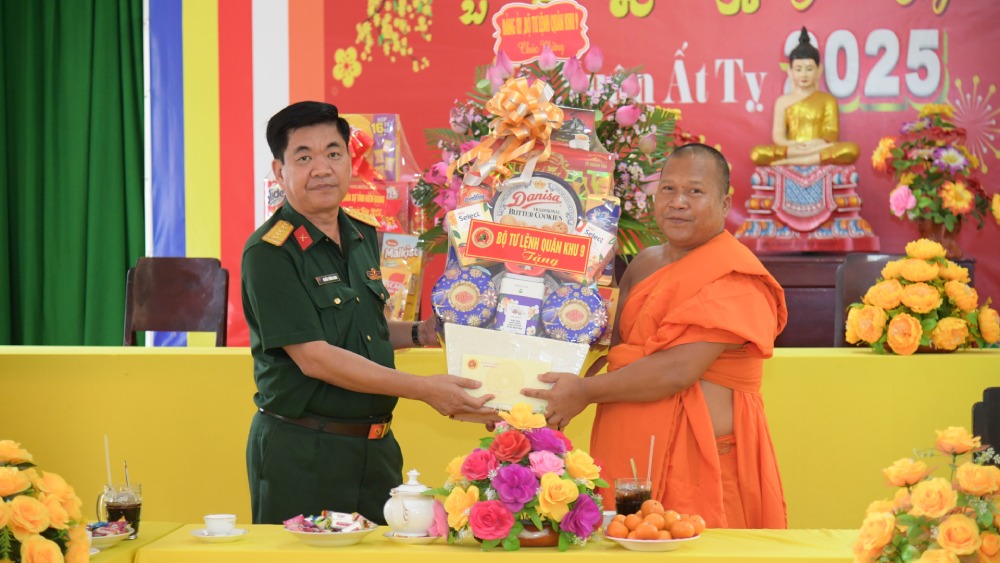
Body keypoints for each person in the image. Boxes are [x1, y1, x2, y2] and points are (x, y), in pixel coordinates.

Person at [242, 101, 495, 525]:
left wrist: (422, 332)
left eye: (333, 153)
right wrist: (424, 389)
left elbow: (364, 329)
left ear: (349, 161)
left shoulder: (361, 235)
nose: (322, 168)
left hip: (375, 450)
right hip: (304, 452)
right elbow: (315, 357)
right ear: (279, 172)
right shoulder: (269, 253)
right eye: (304, 157)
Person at [524, 144, 788, 529]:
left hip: (702, 462)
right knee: (626, 542)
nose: (678, 202)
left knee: (700, 548)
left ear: (725, 202)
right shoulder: (644, 263)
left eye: (695, 191)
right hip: (629, 453)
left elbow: (676, 371)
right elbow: (617, 354)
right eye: (668, 189)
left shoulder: (737, 276)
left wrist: (582, 392)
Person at [750, 27, 859, 166]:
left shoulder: (827, 100)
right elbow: (778, 136)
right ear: (790, 72)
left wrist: (817, 143)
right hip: (794, 148)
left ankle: (793, 160)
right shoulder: (782, 102)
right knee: (757, 153)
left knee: (851, 150)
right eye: (798, 69)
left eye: (809, 69)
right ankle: (806, 157)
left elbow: (832, 134)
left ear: (819, 70)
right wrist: (792, 145)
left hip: (818, 147)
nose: (804, 74)